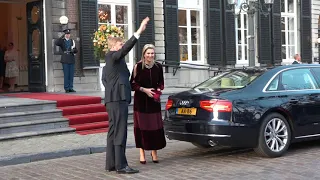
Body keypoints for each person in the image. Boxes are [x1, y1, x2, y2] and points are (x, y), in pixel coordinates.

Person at [102, 16, 150, 174]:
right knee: (120, 131)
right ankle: (121, 166)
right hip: (118, 99)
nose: (122, 46)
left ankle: (111, 163)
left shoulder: (111, 62)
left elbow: (104, 80)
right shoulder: (112, 56)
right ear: (114, 46)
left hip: (113, 98)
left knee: (113, 131)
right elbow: (125, 49)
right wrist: (138, 31)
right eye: (120, 44)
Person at [130, 44, 166, 164]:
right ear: (144, 54)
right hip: (141, 101)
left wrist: (159, 90)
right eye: (148, 53)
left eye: (152, 53)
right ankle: (142, 152)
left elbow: (161, 82)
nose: (150, 55)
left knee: (154, 127)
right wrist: (144, 90)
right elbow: (133, 84)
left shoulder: (158, 66)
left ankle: (154, 151)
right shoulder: (138, 67)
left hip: (153, 101)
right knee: (142, 127)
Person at [55, 29, 78, 93]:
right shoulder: (62, 41)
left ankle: (71, 87)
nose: (68, 35)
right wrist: (61, 37)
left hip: (71, 58)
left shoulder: (72, 41)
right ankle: (66, 88)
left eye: (69, 34)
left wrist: (74, 51)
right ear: (65, 35)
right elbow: (56, 43)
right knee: (66, 74)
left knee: (71, 74)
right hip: (65, 58)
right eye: (67, 34)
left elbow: (76, 50)